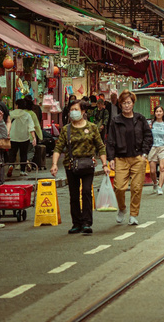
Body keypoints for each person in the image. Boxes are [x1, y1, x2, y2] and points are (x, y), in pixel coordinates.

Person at [51, 100, 109, 234]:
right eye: (71, 109)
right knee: (74, 194)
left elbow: (100, 146)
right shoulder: (67, 129)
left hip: (88, 164)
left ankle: (87, 222)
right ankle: (76, 223)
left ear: (83, 111)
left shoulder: (92, 127)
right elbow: (59, 147)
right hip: (71, 165)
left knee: (87, 192)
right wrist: (54, 164)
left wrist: (104, 164)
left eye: (76, 109)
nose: (73, 112)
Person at [106, 90, 153, 226]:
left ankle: (133, 214)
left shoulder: (140, 119)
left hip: (138, 157)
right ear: (120, 105)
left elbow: (148, 136)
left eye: (129, 103)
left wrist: (144, 153)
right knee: (119, 187)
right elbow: (111, 141)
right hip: (121, 158)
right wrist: (111, 159)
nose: (126, 105)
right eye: (124, 103)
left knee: (137, 188)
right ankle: (122, 208)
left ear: (133, 104)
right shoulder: (115, 121)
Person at [148, 105, 164, 195]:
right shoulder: (151, 123)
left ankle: (160, 187)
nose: (158, 113)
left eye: (160, 111)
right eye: (157, 111)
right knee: (152, 171)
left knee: (162, 168)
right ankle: (155, 183)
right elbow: (147, 135)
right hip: (153, 147)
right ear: (154, 113)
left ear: (163, 113)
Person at [7, 99, 37, 176]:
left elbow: (7, 124)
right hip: (24, 137)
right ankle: (22, 171)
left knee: (12, 153)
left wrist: (7, 134)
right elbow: (31, 127)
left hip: (13, 137)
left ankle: (11, 165)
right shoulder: (27, 115)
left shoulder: (11, 113)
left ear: (17, 105)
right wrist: (34, 138)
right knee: (23, 154)